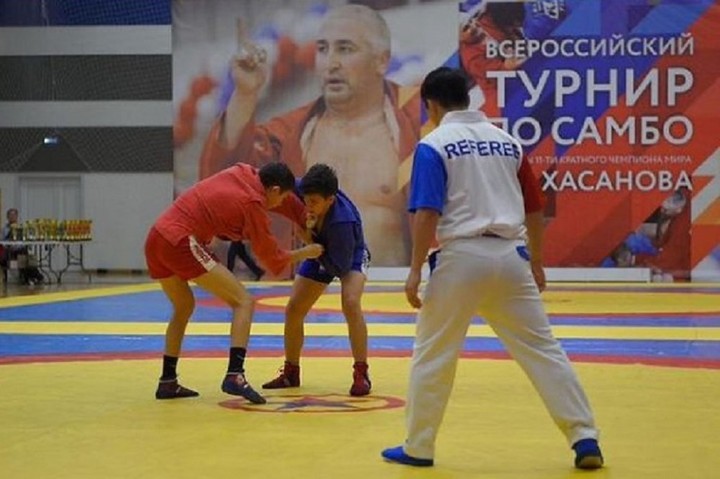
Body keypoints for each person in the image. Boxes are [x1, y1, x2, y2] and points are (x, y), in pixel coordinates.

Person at [381, 68, 603, 470]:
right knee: (543, 350)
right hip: (511, 257)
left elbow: (427, 212)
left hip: (461, 258)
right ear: (468, 98)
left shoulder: (433, 145)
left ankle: (419, 447)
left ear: (430, 104)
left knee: (434, 355)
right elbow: (534, 208)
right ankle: (584, 436)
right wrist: (537, 261)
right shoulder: (508, 142)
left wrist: (414, 270)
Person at [198, 4, 421, 266]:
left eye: (345, 49)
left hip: (389, 285)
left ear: (381, 61)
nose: (331, 63)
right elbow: (224, 179)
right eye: (323, 49)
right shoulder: (289, 132)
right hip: (306, 283)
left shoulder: (420, 123)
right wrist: (245, 94)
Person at [145, 162, 323, 403]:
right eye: (280, 198)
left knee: (184, 305)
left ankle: (167, 380)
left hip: (157, 237)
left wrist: (303, 217)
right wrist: (306, 252)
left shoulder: (243, 172)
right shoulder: (252, 204)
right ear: (273, 189)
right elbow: (272, 258)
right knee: (243, 302)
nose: (279, 205)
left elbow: (284, 201)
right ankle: (235, 375)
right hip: (180, 240)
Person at [262, 164, 372, 396]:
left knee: (351, 303)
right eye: (306, 200)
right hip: (319, 247)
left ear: (330, 200)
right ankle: (291, 371)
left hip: (348, 254)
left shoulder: (343, 223)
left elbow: (338, 267)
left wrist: (308, 239)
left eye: (313, 202)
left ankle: (361, 372)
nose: (308, 205)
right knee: (294, 308)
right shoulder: (303, 187)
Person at [1, 208, 44, 286]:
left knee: (29, 258)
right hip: (10, 252)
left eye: (14, 215)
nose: (12, 217)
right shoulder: (4, 229)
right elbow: (2, 242)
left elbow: (24, 240)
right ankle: (34, 277)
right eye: (10, 215)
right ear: (7, 217)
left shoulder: (21, 227)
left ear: (17, 216)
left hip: (21, 249)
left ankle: (33, 277)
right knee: (23, 256)